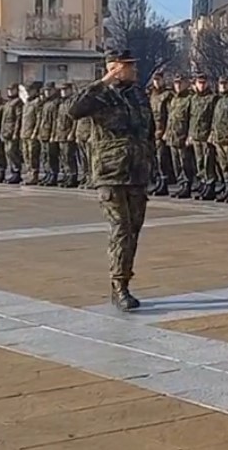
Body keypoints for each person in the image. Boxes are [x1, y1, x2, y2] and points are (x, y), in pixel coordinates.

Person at [68, 50, 155, 312]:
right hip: (111, 173)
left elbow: (148, 130)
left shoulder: (138, 94)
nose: (134, 70)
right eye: (129, 66)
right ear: (115, 68)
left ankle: (123, 280)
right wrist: (103, 82)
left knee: (133, 231)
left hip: (137, 172)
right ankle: (120, 287)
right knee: (120, 229)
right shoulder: (100, 95)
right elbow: (74, 109)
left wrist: (150, 162)